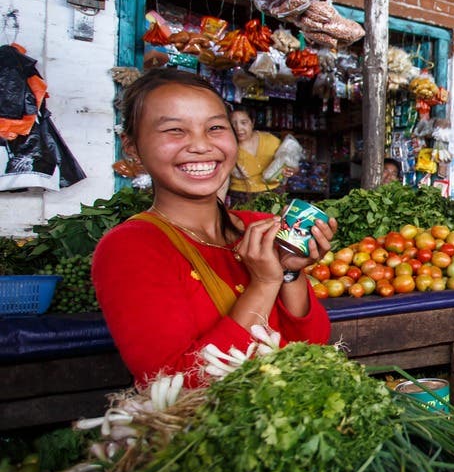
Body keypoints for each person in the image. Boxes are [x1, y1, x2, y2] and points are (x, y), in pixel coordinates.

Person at [92, 68, 335, 387]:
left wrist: (289, 273)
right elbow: (174, 385)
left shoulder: (258, 228)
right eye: (175, 130)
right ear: (132, 146)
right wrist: (263, 283)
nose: (201, 145)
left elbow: (313, 347)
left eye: (215, 128)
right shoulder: (131, 247)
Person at [226, 107, 296, 205]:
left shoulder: (270, 141)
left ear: (252, 122)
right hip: (241, 196)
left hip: (272, 193)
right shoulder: (226, 146)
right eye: (233, 123)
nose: (238, 128)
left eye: (244, 122)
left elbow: (293, 165)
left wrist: (289, 170)